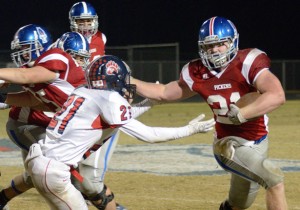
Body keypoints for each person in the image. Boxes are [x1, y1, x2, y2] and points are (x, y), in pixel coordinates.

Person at [130, 16, 288, 210]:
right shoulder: (197, 72)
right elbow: (163, 93)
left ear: (233, 42)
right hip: (229, 143)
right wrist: (127, 79)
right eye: (209, 46)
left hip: (259, 139)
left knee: (240, 204)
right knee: (274, 180)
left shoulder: (247, 62)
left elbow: (277, 95)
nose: (215, 50)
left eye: (221, 44)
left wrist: (243, 113)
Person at [24, 55, 215, 210]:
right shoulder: (108, 98)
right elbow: (149, 135)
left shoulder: (83, 91)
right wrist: (190, 129)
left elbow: (120, 118)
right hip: (54, 171)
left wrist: (149, 103)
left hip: (42, 162)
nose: (125, 84)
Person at [0, 26, 87, 209]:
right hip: (28, 126)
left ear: (40, 45)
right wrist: (4, 98)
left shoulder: (54, 57)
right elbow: (35, 99)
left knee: (38, 175)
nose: (22, 53)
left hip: (69, 125)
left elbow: (30, 86)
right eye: (20, 49)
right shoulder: (34, 68)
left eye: (25, 48)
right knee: (53, 170)